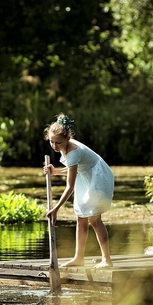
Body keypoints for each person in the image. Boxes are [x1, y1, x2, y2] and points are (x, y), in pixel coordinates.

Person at [43, 113, 115, 268]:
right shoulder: (65, 146)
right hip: (86, 175)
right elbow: (73, 169)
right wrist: (56, 172)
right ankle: (78, 258)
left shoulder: (73, 151)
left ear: (67, 139)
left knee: (94, 219)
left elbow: (69, 186)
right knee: (81, 217)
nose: (55, 146)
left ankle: (106, 260)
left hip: (97, 177)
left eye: (58, 143)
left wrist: (56, 209)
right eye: (52, 142)